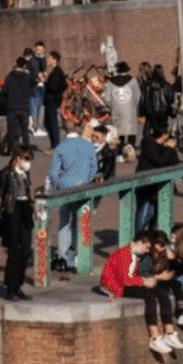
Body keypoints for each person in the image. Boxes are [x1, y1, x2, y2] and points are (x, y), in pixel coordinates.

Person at [101, 231, 183, 355]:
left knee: (162, 292)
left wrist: (147, 280)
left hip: (126, 283)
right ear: (141, 242)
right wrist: (143, 281)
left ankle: (169, 332)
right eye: (146, 247)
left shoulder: (134, 253)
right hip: (115, 286)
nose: (146, 251)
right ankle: (154, 338)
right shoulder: (123, 253)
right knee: (149, 296)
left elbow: (131, 276)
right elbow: (125, 280)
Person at [48, 120, 99, 271]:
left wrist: (58, 185)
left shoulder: (60, 148)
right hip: (82, 187)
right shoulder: (87, 145)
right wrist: (86, 181)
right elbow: (93, 169)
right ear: (77, 129)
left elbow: (53, 173)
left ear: (64, 130)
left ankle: (63, 254)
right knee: (81, 220)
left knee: (64, 221)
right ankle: (77, 252)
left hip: (65, 189)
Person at [0, 148, 35, 300]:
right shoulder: (7, 173)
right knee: (14, 250)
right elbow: (1, 193)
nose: (28, 164)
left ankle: (18, 284)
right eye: (26, 160)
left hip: (25, 209)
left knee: (25, 251)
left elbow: (27, 191)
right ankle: (10, 287)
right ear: (18, 158)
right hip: (12, 211)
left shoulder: (25, 174)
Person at [136, 123, 181, 232]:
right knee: (145, 215)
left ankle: (151, 239)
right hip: (146, 187)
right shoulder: (149, 145)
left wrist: (170, 149)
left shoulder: (162, 147)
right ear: (165, 135)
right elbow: (160, 161)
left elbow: (175, 161)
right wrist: (170, 148)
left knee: (156, 217)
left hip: (158, 188)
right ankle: (135, 239)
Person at [104, 61, 142, 154]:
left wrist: (112, 106)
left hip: (117, 111)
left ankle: (120, 153)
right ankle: (130, 152)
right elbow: (138, 96)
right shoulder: (133, 81)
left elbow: (107, 98)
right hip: (130, 111)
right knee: (131, 132)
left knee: (118, 132)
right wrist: (134, 105)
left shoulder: (111, 82)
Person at [3, 56, 33, 156]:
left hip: (11, 106)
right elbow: (30, 91)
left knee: (11, 129)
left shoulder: (9, 76)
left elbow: (4, 91)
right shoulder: (27, 77)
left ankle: (11, 149)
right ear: (24, 66)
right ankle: (26, 150)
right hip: (24, 107)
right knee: (25, 130)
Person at [42, 52, 67, 151]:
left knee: (52, 124)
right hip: (52, 101)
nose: (47, 60)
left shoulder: (57, 72)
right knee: (48, 123)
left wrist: (44, 81)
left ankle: (55, 146)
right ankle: (53, 145)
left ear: (54, 60)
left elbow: (53, 87)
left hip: (52, 101)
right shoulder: (56, 72)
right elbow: (63, 85)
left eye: (49, 58)